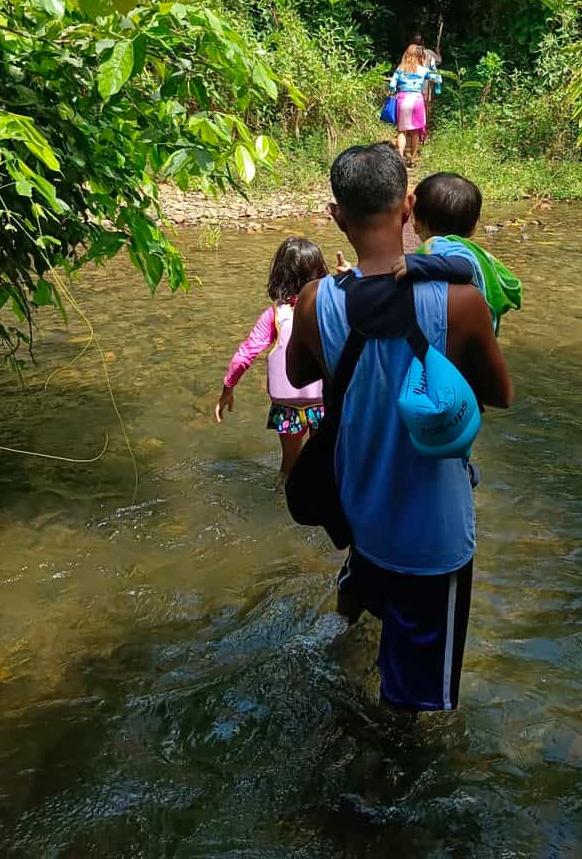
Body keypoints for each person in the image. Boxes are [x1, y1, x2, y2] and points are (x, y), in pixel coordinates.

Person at [285, 143, 513, 713]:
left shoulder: (316, 300)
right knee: (412, 711)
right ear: (408, 207)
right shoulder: (461, 303)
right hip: (432, 539)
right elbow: (500, 395)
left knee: (365, 616)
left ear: (336, 216)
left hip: (363, 521)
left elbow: (296, 373)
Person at [215, 236, 328, 481]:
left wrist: (228, 388)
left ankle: (282, 499)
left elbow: (245, 355)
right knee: (324, 462)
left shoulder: (274, 316)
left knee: (289, 466)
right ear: (321, 271)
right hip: (322, 405)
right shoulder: (329, 308)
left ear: (280, 275)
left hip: (287, 408)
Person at [392, 172, 522, 333]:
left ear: (416, 223)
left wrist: (417, 263)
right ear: (474, 227)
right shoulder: (476, 253)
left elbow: (464, 266)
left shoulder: (441, 244)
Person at [388, 43, 440, 167]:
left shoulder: (400, 69)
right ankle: (412, 159)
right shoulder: (423, 70)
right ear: (420, 56)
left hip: (402, 99)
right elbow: (437, 79)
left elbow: (391, 85)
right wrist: (433, 67)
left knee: (402, 131)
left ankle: (400, 158)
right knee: (415, 132)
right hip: (417, 99)